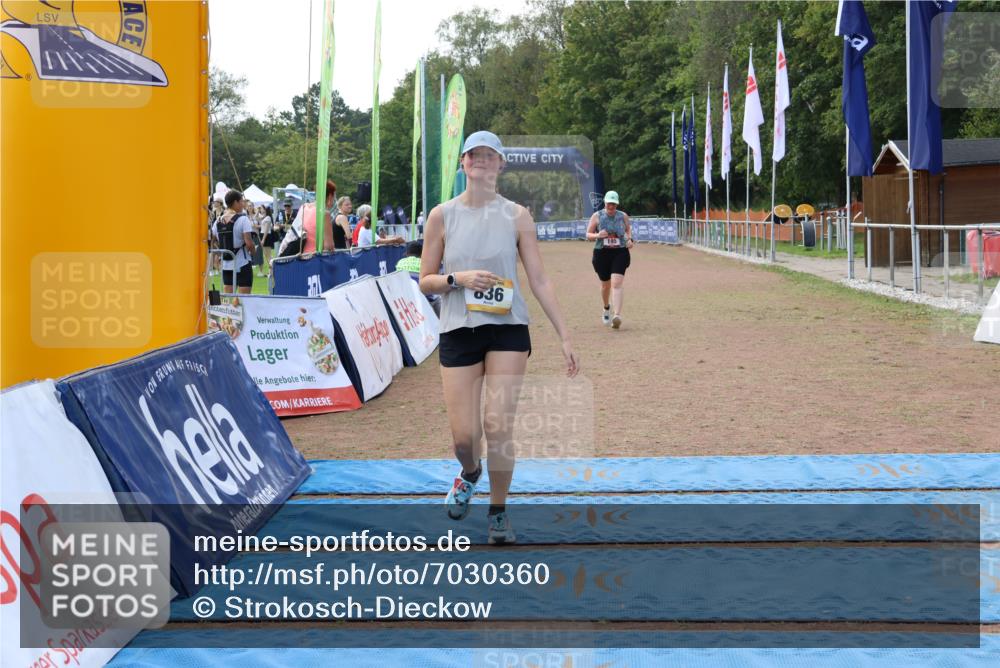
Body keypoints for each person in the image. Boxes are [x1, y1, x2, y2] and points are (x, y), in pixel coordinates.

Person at [419, 130, 579, 544]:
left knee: (497, 424)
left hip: (508, 327)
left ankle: (499, 511)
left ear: (501, 165)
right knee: (465, 438)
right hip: (458, 329)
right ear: (464, 164)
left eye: (491, 156)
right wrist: (459, 279)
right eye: (475, 156)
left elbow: (540, 279)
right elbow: (425, 281)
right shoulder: (442, 215)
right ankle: (470, 472)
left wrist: (564, 334)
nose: (483, 162)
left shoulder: (517, 216)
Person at [586, 190, 633, 329]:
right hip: (602, 253)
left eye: (613, 204)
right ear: (605, 203)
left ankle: (617, 316)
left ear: (617, 204)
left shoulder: (623, 216)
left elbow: (628, 230)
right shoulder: (597, 216)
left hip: (620, 252)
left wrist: (629, 239)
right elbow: (588, 234)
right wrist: (598, 235)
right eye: (608, 204)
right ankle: (606, 307)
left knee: (616, 283)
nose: (611, 207)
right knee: (605, 285)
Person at [211, 189, 256, 294]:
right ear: (235, 202)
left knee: (228, 301)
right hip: (242, 263)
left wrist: (218, 254)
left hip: (226, 264)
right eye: (241, 202)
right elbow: (249, 243)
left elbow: (213, 241)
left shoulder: (217, 221)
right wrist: (253, 252)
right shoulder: (243, 219)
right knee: (243, 300)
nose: (243, 204)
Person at [300, 180, 338, 254]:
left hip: (301, 257)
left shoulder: (304, 207)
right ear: (330, 196)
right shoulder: (325, 214)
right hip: (315, 258)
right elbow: (329, 246)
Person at [259, 205, 274, 277]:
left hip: (266, 236)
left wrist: (263, 239)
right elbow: (257, 217)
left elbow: (267, 229)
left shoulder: (268, 218)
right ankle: (271, 270)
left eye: (261, 208)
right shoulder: (265, 217)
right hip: (264, 235)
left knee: (268, 255)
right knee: (266, 254)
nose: (260, 210)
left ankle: (272, 270)